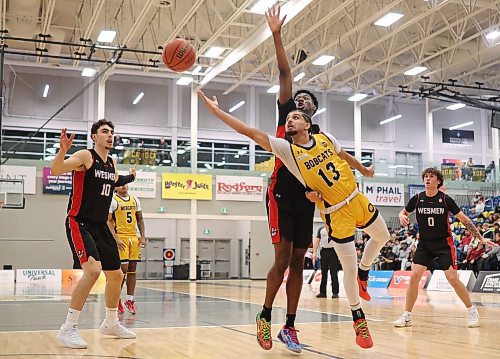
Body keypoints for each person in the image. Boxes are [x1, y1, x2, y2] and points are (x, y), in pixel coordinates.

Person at [198, 91, 393, 350]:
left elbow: (343, 155)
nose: (290, 119)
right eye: (288, 116)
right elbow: (250, 132)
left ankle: (358, 277)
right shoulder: (286, 148)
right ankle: (268, 316)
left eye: (296, 117)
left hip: (351, 198)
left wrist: (363, 169)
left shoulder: (325, 138)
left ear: (308, 123)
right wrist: (216, 112)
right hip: (324, 208)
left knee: (382, 237)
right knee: (285, 260)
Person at [254, 6, 320, 354]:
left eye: (308, 102)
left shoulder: (319, 138)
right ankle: (264, 316)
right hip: (279, 194)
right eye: (298, 98)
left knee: (298, 263)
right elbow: (284, 73)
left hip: (305, 201)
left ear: (313, 115)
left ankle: (289, 326)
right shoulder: (286, 118)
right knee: (281, 260)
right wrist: (277, 34)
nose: (301, 99)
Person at [51, 120, 137, 349]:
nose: (110, 136)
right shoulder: (85, 157)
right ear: (94, 137)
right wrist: (62, 151)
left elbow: (115, 180)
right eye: (105, 132)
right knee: (92, 270)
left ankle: (111, 322)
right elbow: (57, 170)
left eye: (112, 132)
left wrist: (130, 178)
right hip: (80, 222)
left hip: (100, 225)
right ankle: (68, 328)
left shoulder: (112, 162)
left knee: (117, 276)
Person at [393, 168, 496, 329]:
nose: (427, 179)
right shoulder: (417, 198)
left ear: (438, 181)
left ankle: (472, 310)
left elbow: (465, 220)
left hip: (443, 244)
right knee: (414, 277)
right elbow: (404, 211)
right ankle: (407, 315)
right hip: (425, 244)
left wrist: (480, 237)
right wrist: (401, 215)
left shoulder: (446, 200)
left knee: (453, 279)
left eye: (431, 176)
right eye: (425, 176)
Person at [107, 184, 146, 315]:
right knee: (122, 270)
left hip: (133, 238)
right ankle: (116, 300)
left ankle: (130, 300)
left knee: (132, 268)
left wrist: (143, 236)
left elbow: (140, 219)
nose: (124, 186)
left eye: (125, 184)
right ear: (115, 188)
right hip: (121, 237)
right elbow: (108, 221)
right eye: (120, 185)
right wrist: (116, 238)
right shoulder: (112, 200)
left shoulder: (135, 200)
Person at [312, 225, 340, 298]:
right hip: (324, 251)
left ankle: (335, 293)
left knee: (333, 272)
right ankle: (323, 292)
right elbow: (317, 240)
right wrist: (314, 252)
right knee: (323, 272)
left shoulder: (335, 227)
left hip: (334, 251)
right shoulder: (321, 229)